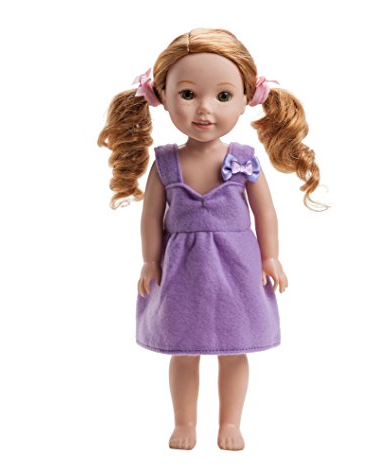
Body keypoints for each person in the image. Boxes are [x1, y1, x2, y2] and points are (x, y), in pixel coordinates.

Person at [98, 27, 329, 451]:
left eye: (223, 96)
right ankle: (184, 422)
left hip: (237, 267)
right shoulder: (166, 163)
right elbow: (151, 218)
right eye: (187, 94)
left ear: (246, 99)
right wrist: (149, 261)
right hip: (181, 270)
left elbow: (265, 212)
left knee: (234, 348)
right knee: (183, 350)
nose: (205, 109)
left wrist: (271, 257)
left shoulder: (243, 160)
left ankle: (230, 422)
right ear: (162, 96)